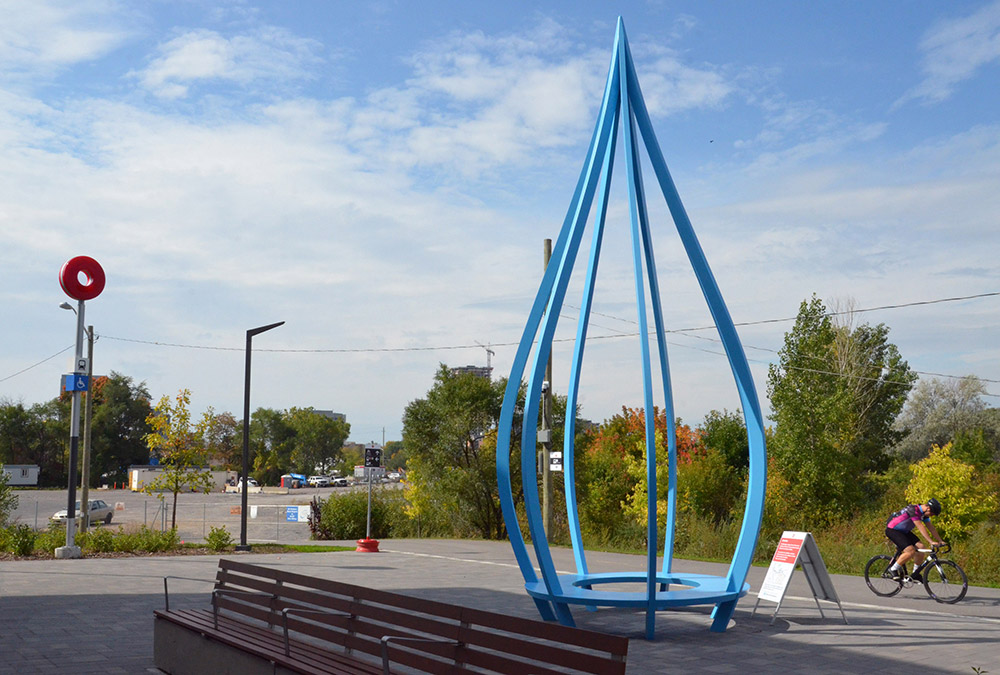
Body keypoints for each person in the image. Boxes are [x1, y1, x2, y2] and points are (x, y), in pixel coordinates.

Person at [885, 498, 944, 581]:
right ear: (928, 508)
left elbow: (931, 528)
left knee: (921, 547)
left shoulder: (924, 514)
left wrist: (940, 540)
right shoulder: (913, 510)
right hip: (893, 530)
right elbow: (921, 527)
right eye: (932, 514)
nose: (932, 516)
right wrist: (931, 541)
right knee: (910, 551)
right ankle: (892, 569)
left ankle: (915, 574)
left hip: (904, 531)